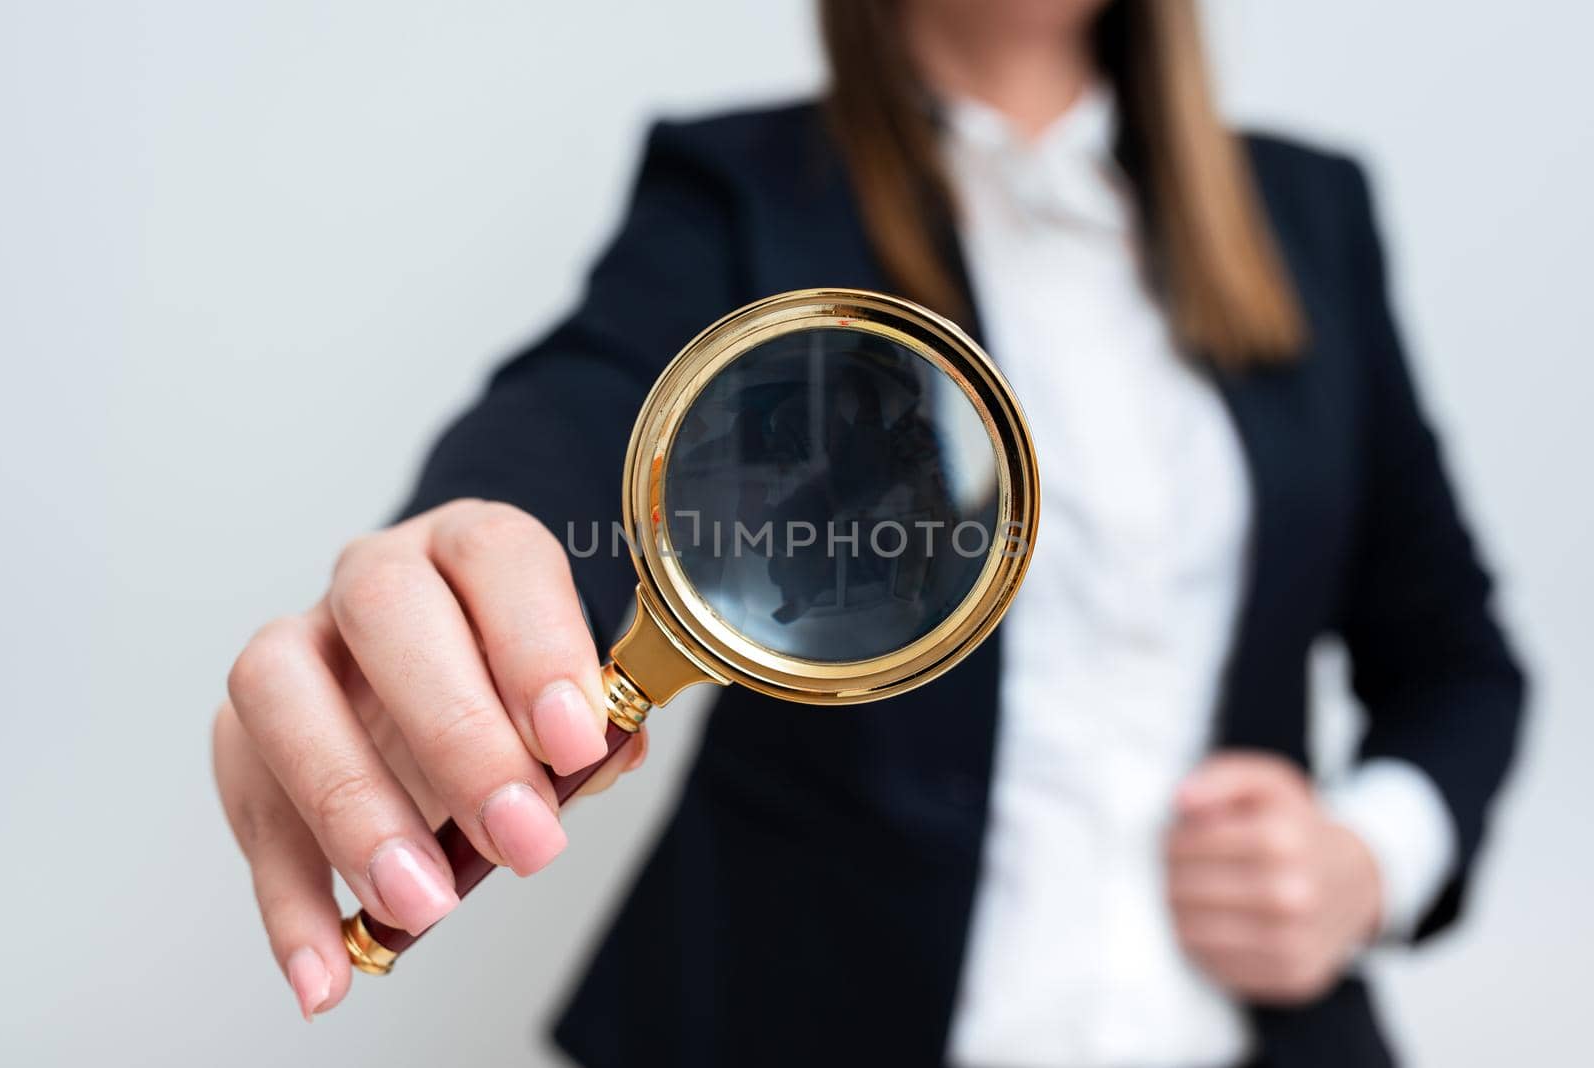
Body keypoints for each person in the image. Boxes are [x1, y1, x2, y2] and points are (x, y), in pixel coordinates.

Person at [211, 1, 1527, 1065]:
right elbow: (581, 405)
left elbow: (1457, 658)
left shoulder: (1315, 216)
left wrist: (1375, 853)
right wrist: (451, 558)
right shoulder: (734, 188)